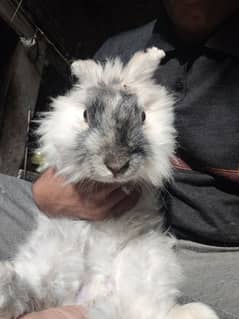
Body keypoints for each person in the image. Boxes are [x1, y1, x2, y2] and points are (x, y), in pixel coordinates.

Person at [0, 1, 239, 318]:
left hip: (213, 251)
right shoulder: (119, 49)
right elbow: (69, 137)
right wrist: (44, 193)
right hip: (86, 219)